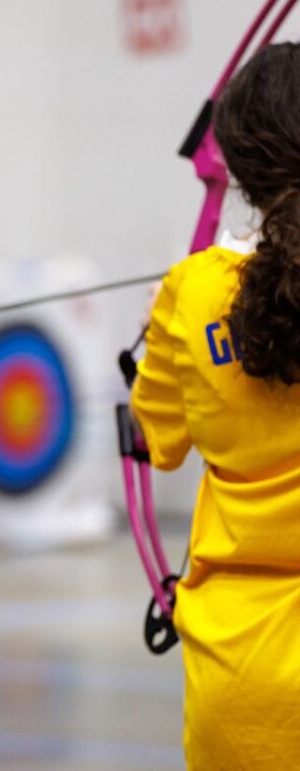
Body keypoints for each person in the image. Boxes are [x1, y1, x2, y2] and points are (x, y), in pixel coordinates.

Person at [131, 43, 300, 769]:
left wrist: (165, 327)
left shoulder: (191, 290)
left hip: (241, 674)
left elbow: (156, 439)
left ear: (231, 162)